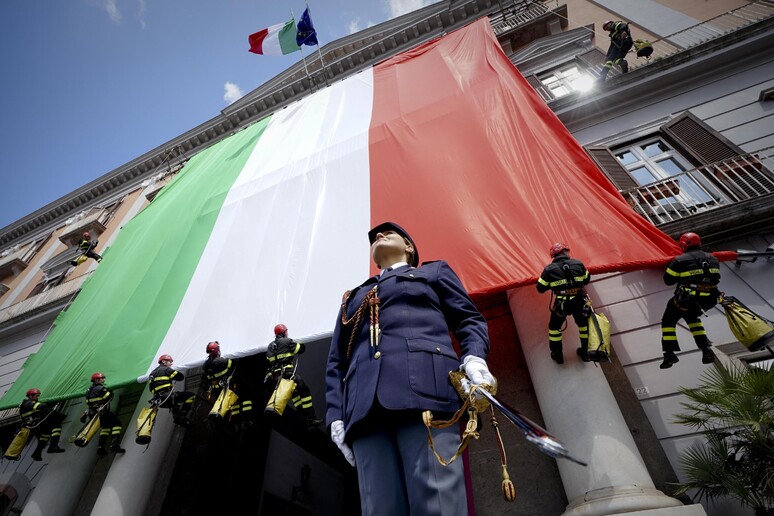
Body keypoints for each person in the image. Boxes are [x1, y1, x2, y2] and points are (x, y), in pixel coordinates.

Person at [326, 221, 494, 516]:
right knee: (380, 508)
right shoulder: (352, 297)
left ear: (409, 247)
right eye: (375, 237)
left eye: (388, 233)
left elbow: (469, 320)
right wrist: (334, 417)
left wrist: (475, 358)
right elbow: (336, 362)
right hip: (363, 409)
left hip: (426, 394)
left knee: (437, 502)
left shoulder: (432, 273)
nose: (378, 235)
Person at [659, 232, 720, 369]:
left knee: (668, 320)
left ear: (683, 245)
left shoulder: (679, 260)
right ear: (699, 244)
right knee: (692, 318)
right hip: (709, 300)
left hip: (687, 300)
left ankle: (669, 353)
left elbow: (668, 281)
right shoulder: (713, 259)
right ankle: (706, 350)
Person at [536, 243, 591, 364]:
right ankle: (585, 353)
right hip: (578, 301)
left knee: (554, 328)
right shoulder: (578, 263)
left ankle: (558, 355)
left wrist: (554, 284)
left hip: (561, 304)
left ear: (554, 256)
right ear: (565, 252)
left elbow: (540, 288)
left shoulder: (549, 269)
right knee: (583, 325)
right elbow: (587, 279)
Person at [265, 323, 321, 428]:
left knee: (295, 395)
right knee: (305, 392)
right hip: (287, 375)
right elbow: (300, 349)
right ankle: (311, 417)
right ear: (284, 332)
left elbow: (269, 359)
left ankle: (304, 418)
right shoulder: (287, 341)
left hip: (276, 378)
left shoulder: (270, 346)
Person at [202, 341, 252, 426]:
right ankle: (243, 420)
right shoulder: (221, 362)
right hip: (227, 387)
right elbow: (232, 362)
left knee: (223, 403)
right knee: (241, 401)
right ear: (217, 351)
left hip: (217, 389)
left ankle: (230, 419)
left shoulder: (205, 365)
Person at [18, 388, 66, 461]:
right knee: (56, 426)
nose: (37, 398)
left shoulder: (29, 403)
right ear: (30, 396)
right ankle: (53, 446)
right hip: (35, 424)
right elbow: (40, 406)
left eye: (38, 396)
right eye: (36, 396)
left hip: (36, 424)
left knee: (45, 435)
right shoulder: (27, 403)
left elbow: (42, 406)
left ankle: (37, 454)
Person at [85, 372, 126, 456]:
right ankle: (114, 445)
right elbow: (109, 397)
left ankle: (101, 448)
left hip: (93, 414)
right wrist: (110, 391)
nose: (103, 380)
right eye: (102, 378)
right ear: (96, 380)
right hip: (102, 412)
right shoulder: (100, 388)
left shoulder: (88, 390)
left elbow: (88, 402)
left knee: (105, 428)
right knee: (117, 424)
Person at [148, 354, 195, 427]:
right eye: (170, 361)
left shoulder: (152, 374)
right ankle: (183, 413)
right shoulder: (166, 369)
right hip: (167, 397)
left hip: (159, 401)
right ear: (163, 361)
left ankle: (177, 417)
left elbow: (151, 389)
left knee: (176, 401)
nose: (171, 363)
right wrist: (173, 374)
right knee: (190, 396)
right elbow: (180, 377)